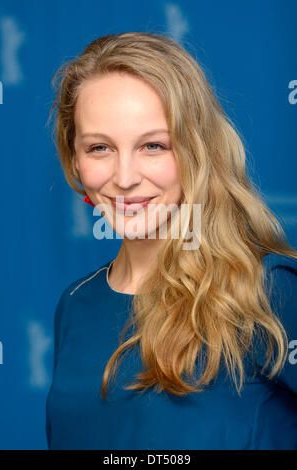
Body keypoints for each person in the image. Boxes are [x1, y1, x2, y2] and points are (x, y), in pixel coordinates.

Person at [45, 31, 297, 450]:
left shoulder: (268, 289)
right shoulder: (76, 303)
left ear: (196, 150)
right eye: (100, 148)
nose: (124, 178)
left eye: (153, 146)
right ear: (74, 157)